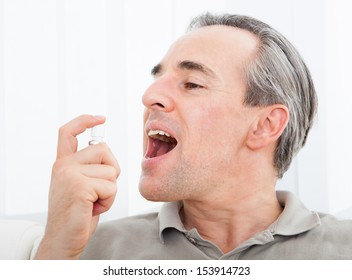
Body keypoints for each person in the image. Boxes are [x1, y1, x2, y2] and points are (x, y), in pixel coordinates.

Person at [35, 13, 352, 260]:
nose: (149, 96)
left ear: (266, 125)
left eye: (192, 84)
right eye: (158, 79)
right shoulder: (90, 250)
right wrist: (56, 252)